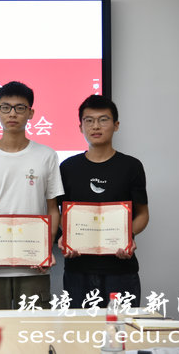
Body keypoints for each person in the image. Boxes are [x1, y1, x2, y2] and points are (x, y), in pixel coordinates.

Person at [0, 81, 63, 309]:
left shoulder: (47, 156)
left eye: (20, 108)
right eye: (6, 107)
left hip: (34, 263)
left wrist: (46, 248)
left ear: (30, 113)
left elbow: (53, 209)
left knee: (34, 327)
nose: (12, 113)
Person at [58, 95, 149, 307]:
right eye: (89, 120)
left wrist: (128, 237)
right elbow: (61, 213)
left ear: (116, 125)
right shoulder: (68, 167)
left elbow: (143, 214)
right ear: (80, 127)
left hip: (121, 269)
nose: (96, 126)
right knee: (81, 327)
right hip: (78, 269)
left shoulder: (131, 166)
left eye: (103, 119)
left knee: (121, 327)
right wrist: (65, 237)